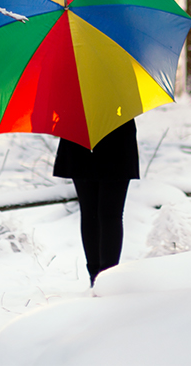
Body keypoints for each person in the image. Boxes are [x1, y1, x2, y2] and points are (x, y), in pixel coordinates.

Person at [53, 118, 139, 286]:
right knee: (107, 215)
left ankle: (99, 279)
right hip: (113, 135)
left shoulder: (72, 92)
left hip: (82, 134)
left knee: (93, 214)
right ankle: (105, 279)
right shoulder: (121, 91)